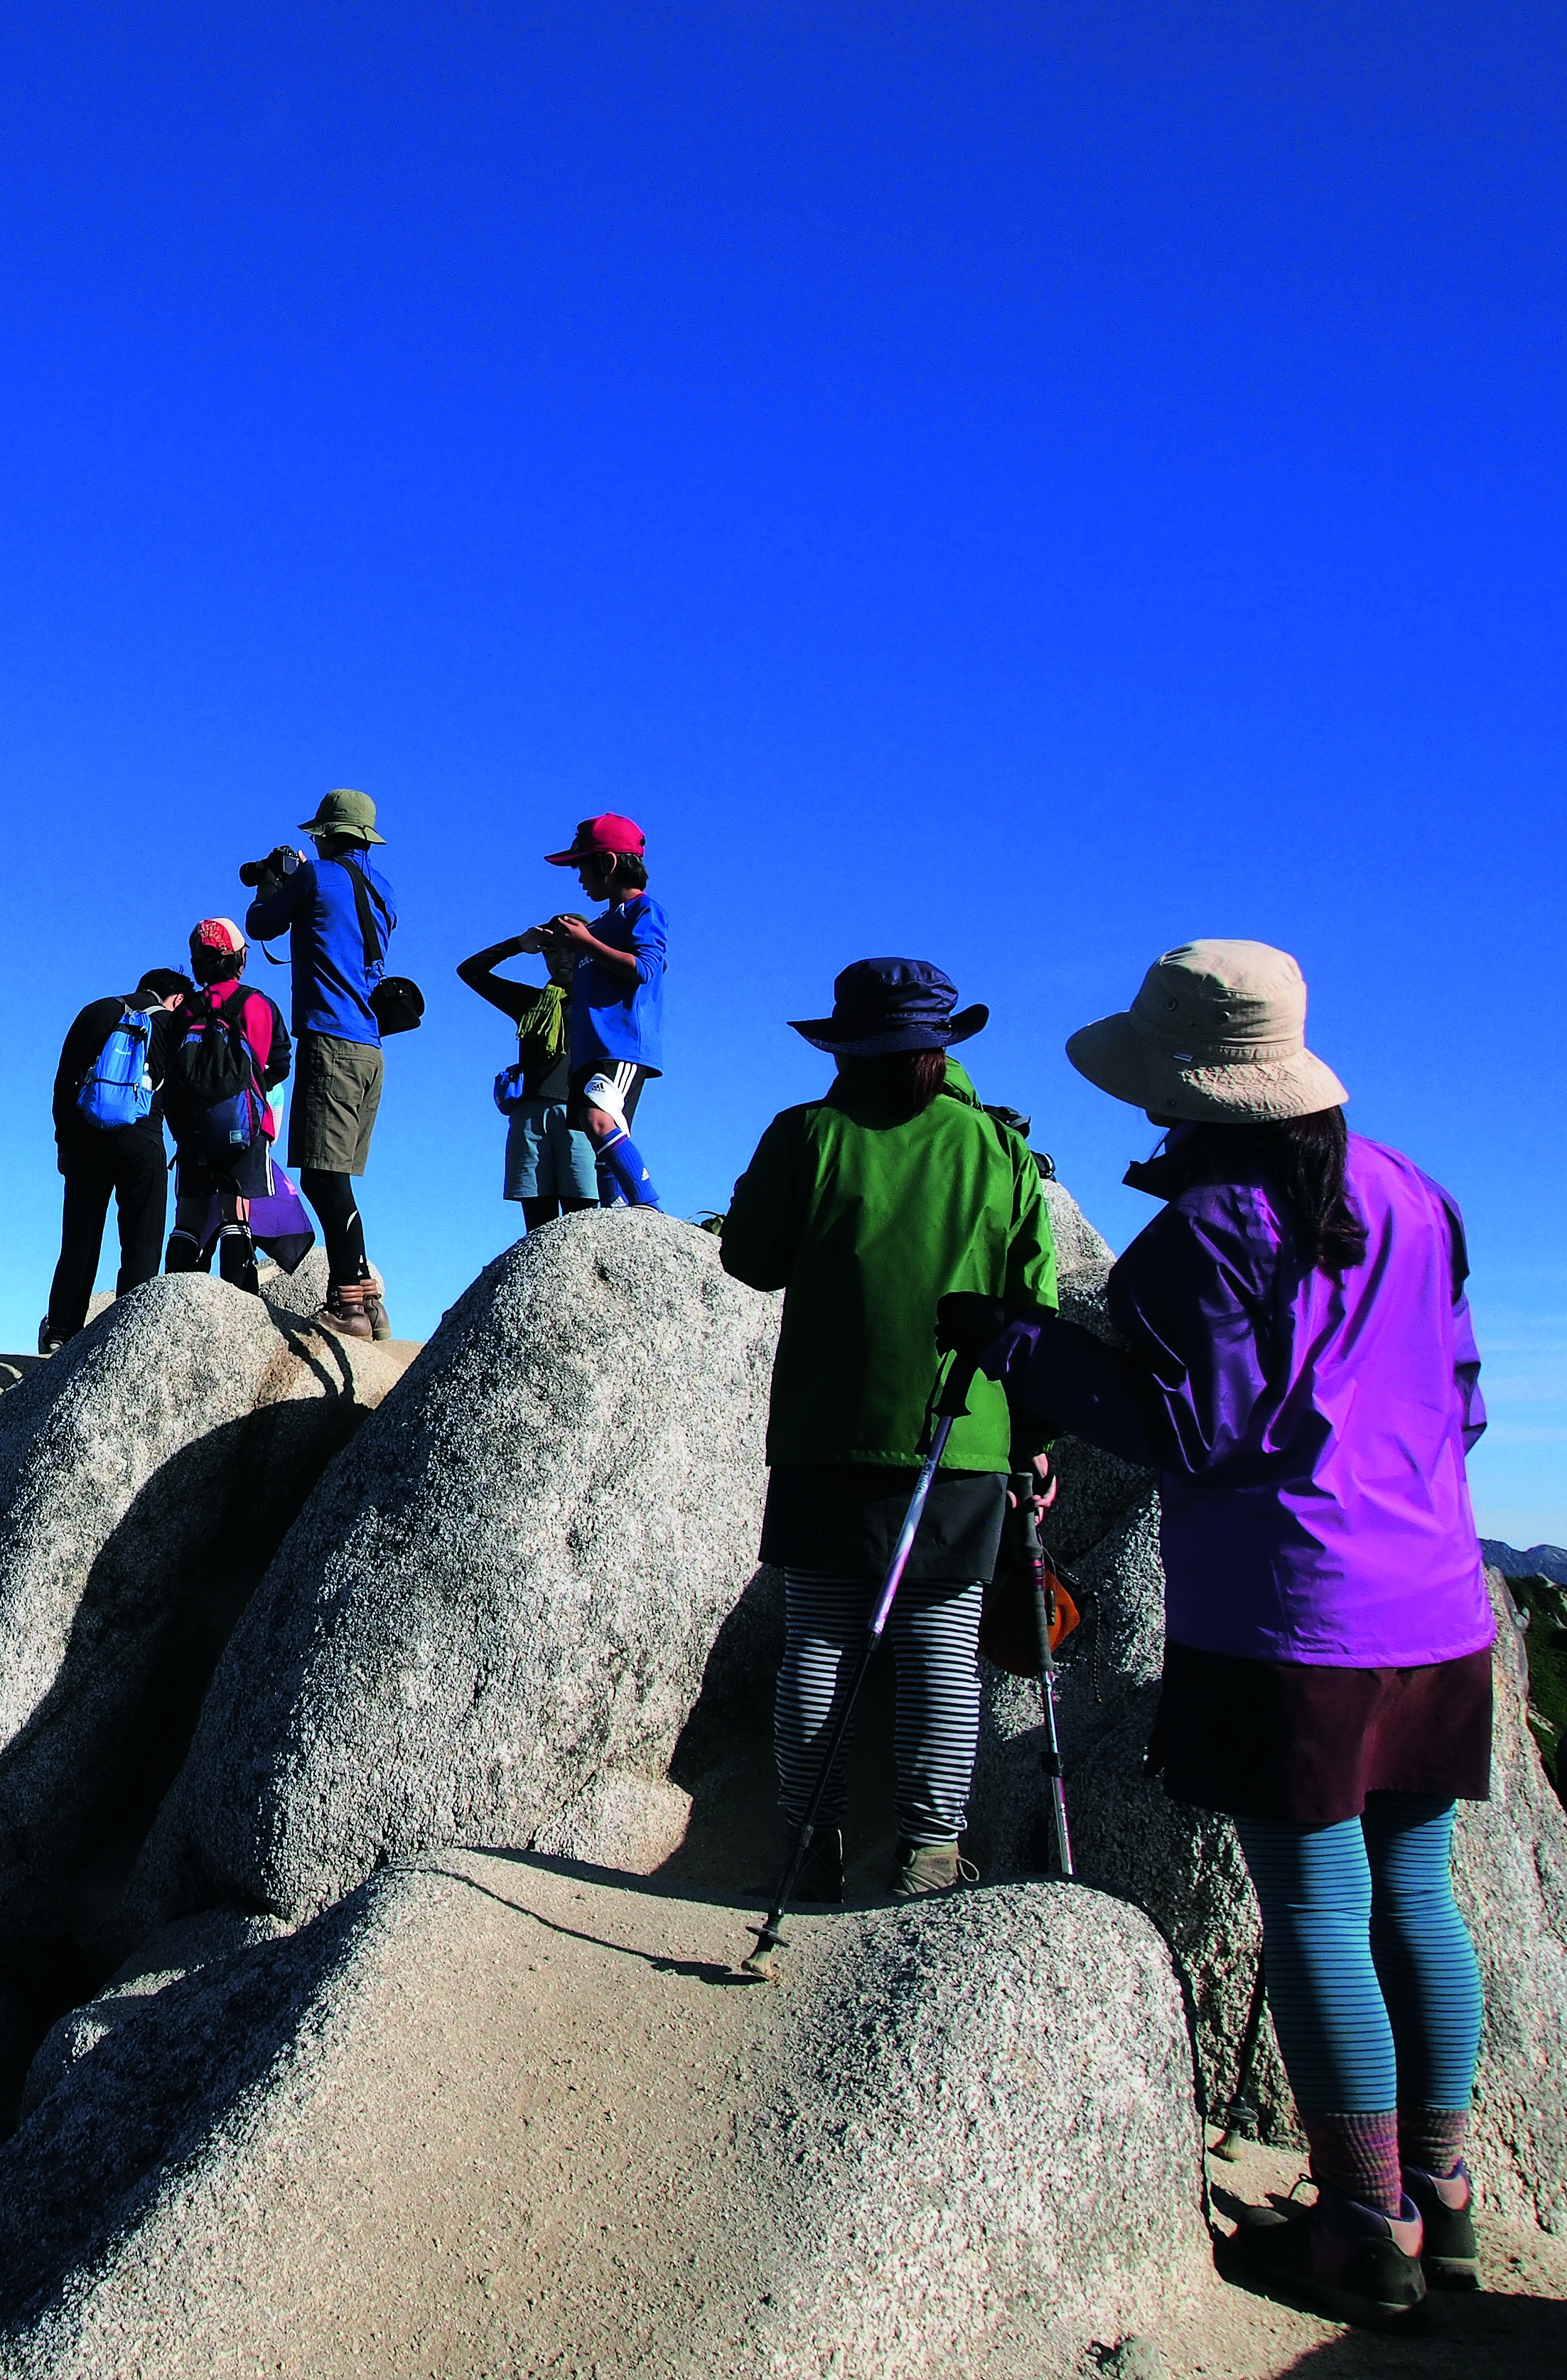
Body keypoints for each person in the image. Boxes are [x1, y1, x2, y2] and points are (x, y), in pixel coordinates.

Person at [939, 941, 1492, 2329]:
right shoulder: (1412, 1194)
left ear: (1185, 1082)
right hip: (1440, 1604)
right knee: (1417, 1897)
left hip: (1290, 1622)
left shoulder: (1212, 1229)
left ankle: (1363, 2226)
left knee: (1316, 1912)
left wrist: (1020, 1343)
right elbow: (1464, 1396)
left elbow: (1188, 1430)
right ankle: (1448, 2194)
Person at [717, 960, 1058, 1908]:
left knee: (819, 1645)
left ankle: (805, 1846)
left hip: (828, 1429)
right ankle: (927, 1857)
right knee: (940, 1655)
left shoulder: (805, 1135)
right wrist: (1033, 1440)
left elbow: (749, 1259)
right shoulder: (1000, 1151)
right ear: (943, 1049)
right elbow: (1035, 1312)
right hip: (964, 1439)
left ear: (845, 1044)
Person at [242, 789, 399, 1337]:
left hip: (329, 1041)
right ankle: (368, 1297)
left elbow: (261, 923)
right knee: (338, 1176)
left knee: (322, 1177)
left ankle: (349, 1301)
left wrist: (274, 881)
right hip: (371, 1049)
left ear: (327, 834)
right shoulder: (383, 890)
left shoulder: (317, 877)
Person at [42, 968, 190, 1354]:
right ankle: (127, 1334)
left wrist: (65, 1141)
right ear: (174, 999)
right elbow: (180, 1088)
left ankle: (60, 1330)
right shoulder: (172, 1023)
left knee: (80, 1239)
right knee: (141, 1240)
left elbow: (64, 1081)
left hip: (88, 1140)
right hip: (143, 1137)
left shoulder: (97, 1010)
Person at [539, 813, 668, 1211]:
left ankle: (649, 1207)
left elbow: (644, 969)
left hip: (622, 1043)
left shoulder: (645, 911)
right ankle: (609, 1216)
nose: (579, 878)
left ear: (609, 864)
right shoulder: (599, 924)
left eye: (582, 866)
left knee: (599, 1119)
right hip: (591, 1048)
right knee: (598, 1134)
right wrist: (570, 942)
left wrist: (586, 943)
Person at [157, 918, 291, 1292]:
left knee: (188, 1218)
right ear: (239, 959)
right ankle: (242, 1302)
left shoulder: (184, 1012)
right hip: (243, 1124)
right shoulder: (257, 1003)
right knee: (237, 1212)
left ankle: (175, 1301)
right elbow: (280, 1062)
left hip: (191, 1130)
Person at [458, 923, 596, 1228]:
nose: (562, 960)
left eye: (572, 951)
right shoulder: (530, 1002)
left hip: (581, 1115)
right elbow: (470, 971)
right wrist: (518, 944)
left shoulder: (601, 1001)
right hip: (529, 1118)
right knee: (538, 1228)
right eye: (552, 952)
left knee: (583, 1220)